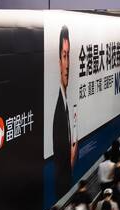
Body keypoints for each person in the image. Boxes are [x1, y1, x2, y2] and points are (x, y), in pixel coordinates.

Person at [52, 26, 75, 197]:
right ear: (59, 61)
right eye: (64, 56)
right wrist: (71, 159)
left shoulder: (66, 104)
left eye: (69, 56)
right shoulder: (58, 112)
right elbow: (60, 168)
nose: (67, 64)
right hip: (62, 189)